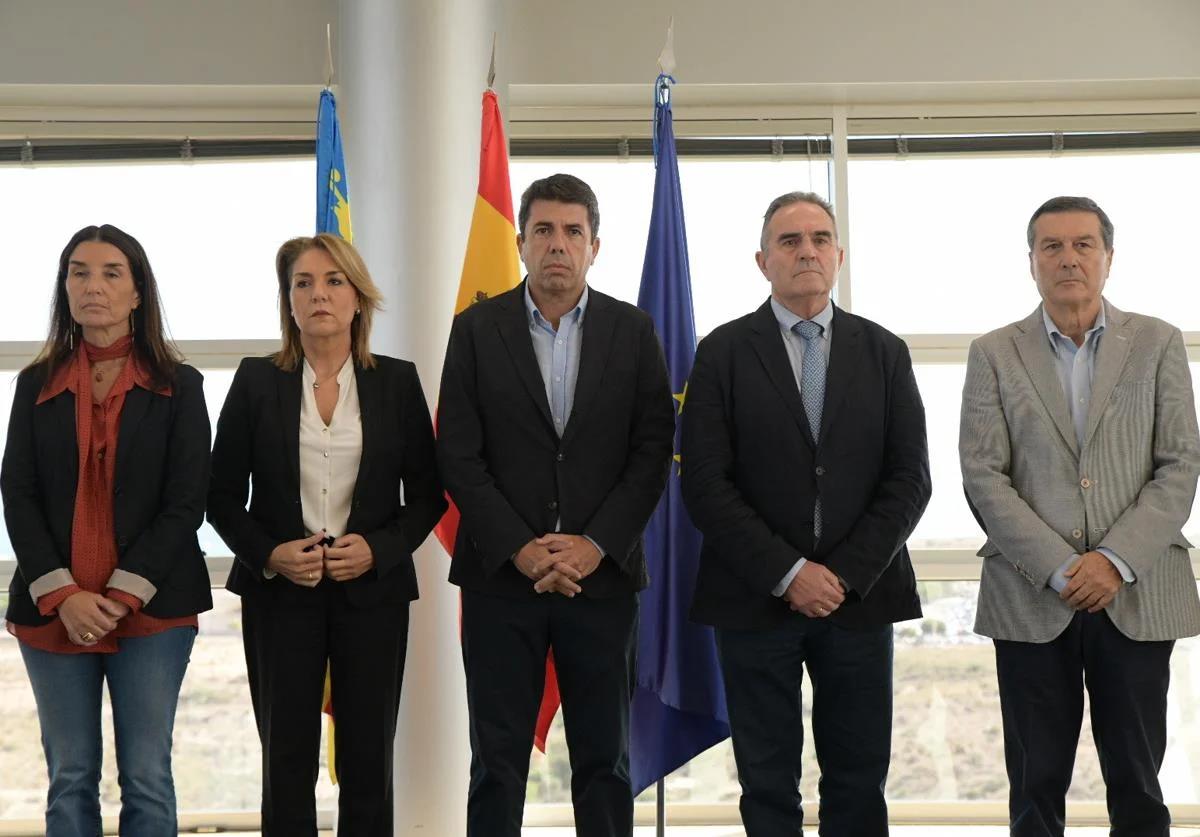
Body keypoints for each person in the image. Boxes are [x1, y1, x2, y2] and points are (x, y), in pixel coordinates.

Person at [680, 192, 931, 836]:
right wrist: (790, 572)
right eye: (790, 242)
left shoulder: (885, 352)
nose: (807, 252)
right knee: (766, 782)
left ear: (839, 256)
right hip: (754, 597)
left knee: (857, 778)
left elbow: (910, 481)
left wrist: (840, 574)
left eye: (820, 239)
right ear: (762, 261)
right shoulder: (722, 353)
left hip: (861, 599)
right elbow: (706, 484)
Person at [436, 173, 674, 837]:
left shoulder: (633, 331)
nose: (558, 245)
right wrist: (522, 545)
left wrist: (592, 545)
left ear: (595, 246)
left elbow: (651, 451)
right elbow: (458, 454)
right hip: (500, 582)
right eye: (544, 230)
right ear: (520, 242)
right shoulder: (477, 330)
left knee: (605, 762)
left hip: (603, 582)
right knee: (496, 762)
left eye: (573, 231)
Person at [960, 196, 1200, 837]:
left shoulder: (1156, 342)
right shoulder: (993, 353)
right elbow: (984, 476)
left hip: (1137, 591)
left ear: (1108, 258)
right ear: (1032, 262)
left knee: (1139, 779)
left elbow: (1179, 465)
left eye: (1083, 245)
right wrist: (1063, 566)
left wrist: (1113, 561)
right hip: (1032, 594)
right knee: (1034, 787)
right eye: (1052, 247)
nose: (1068, 258)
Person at [207, 233, 444, 836]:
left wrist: (380, 549)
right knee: (285, 758)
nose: (319, 295)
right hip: (280, 595)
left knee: (369, 758)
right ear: (288, 302)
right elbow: (221, 497)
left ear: (358, 298)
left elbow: (426, 498)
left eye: (334, 281)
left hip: (374, 594)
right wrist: (270, 554)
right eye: (303, 284)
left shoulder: (396, 381)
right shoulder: (257, 381)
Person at [1, 224, 212, 836]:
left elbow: (185, 501)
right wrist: (64, 596)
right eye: (79, 272)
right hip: (53, 610)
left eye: (111, 272)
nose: (93, 285)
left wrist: (119, 596)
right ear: (65, 288)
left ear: (139, 291)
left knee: (147, 775)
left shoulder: (180, 384)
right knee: (69, 775)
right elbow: (18, 494)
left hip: (152, 612)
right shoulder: (33, 384)